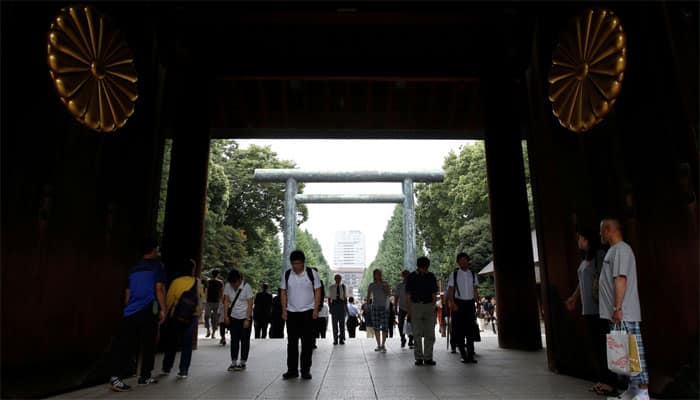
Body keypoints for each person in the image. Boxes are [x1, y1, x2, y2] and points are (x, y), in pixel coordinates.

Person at [599, 218, 650, 400]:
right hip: (618, 313)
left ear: (607, 229)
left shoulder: (621, 249)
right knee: (624, 353)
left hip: (624, 312)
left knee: (633, 351)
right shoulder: (614, 250)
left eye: (601, 231)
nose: (600, 235)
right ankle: (633, 389)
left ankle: (643, 391)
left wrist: (617, 307)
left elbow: (620, 279)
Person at [107, 238, 166, 392]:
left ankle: (116, 377)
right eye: (157, 249)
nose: (158, 252)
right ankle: (145, 376)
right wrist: (163, 309)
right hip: (148, 309)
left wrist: (129, 308)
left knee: (125, 344)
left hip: (131, 311)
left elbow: (127, 293)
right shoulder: (157, 267)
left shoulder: (133, 268)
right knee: (148, 344)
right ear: (153, 250)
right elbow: (159, 288)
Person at [565, 227, 618, 396]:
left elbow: (606, 278)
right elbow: (582, 283)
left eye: (580, 237)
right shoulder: (585, 259)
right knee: (596, 345)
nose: (578, 240)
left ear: (587, 240)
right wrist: (574, 297)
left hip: (600, 308)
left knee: (604, 345)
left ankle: (611, 381)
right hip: (588, 308)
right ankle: (602, 379)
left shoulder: (599, 256)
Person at [280, 250, 321, 380]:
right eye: (293, 264)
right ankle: (292, 370)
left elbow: (318, 291)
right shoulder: (287, 274)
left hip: (308, 313)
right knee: (291, 343)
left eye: (298, 263)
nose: (296, 266)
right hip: (292, 313)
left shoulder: (311, 273)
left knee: (307, 343)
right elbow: (283, 292)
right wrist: (284, 310)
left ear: (303, 262)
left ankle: (305, 370)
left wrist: (315, 309)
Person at [160, 259, 201, 379]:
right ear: (193, 269)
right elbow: (200, 299)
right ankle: (183, 370)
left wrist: (165, 314)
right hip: (191, 317)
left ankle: (167, 367)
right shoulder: (197, 282)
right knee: (187, 344)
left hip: (176, 316)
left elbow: (169, 300)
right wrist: (197, 314)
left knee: (172, 342)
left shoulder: (176, 282)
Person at [406, 256, 438, 366]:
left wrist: (433, 307)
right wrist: (409, 310)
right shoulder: (411, 277)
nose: (425, 270)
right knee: (417, 334)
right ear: (418, 266)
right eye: (423, 267)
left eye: (426, 268)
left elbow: (434, 294)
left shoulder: (431, 276)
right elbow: (408, 295)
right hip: (416, 305)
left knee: (430, 333)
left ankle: (428, 357)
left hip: (427, 305)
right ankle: (419, 357)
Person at [448, 252, 479, 364]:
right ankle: (463, 355)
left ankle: (470, 355)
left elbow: (475, 290)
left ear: (468, 261)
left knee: (471, 330)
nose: (463, 262)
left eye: (465, 260)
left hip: (470, 304)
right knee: (460, 330)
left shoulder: (473, 274)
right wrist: (452, 303)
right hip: (458, 304)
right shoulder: (454, 274)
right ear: (458, 262)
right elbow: (450, 291)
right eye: (461, 260)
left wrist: (478, 304)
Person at [223, 269, 254, 372]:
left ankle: (243, 362)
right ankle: (233, 362)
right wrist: (226, 316)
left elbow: (250, 304)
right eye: (232, 283)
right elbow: (226, 301)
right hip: (234, 317)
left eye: (236, 282)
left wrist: (247, 319)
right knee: (234, 340)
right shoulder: (228, 286)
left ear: (240, 279)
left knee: (245, 340)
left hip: (245, 316)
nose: (234, 285)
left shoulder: (247, 287)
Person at [367, 269, 391, 352]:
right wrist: (367, 306)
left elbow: (389, 294)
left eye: (380, 274)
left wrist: (385, 288)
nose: (379, 275)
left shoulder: (385, 283)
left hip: (384, 307)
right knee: (376, 327)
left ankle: (383, 345)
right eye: (377, 274)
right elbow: (368, 296)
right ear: (374, 275)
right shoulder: (371, 285)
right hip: (375, 307)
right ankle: (378, 345)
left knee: (385, 327)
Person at [394, 270, 413, 348]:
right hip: (402, 308)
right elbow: (396, 297)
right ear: (402, 276)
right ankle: (402, 338)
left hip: (411, 308)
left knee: (411, 325)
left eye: (407, 275)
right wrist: (395, 307)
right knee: (400, 324)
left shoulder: (413, 285)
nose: (405, 277)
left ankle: (411, 340)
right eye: (404, 275)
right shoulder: (399, 286)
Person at [327, 274, 348, 345]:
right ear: (334, 279)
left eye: (339, 278)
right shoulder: (331, 287)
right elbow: (329, 298)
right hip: (334, 305)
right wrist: (330, 308)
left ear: (341, 279)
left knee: (342, 324)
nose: (338, 279)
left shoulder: (343, 287)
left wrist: (346, 309)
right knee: (334, 324)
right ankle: (335, 339)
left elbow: (345, 298)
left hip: (342, 305)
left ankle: (342, 339)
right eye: (337, 278)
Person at [204, 270, 224, 340]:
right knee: (214, 317)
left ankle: (210, 331)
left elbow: (206, 291)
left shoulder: (217, 282)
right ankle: (211, 332)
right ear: (218, 274)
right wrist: (221, 301)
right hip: (215, 301)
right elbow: (222, 292)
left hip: (211, 301)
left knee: (208, 316)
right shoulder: (217, 282)